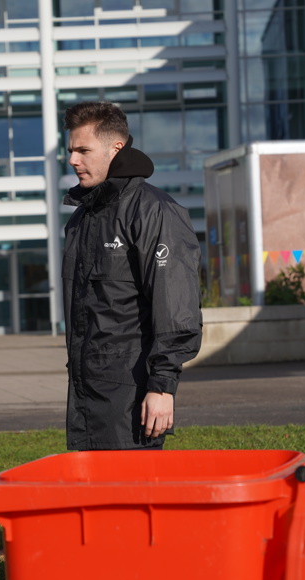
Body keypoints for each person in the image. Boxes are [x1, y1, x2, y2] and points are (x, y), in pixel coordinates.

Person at [62, 101, 203, 451]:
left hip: (133, 395)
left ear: (116, 148)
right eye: (70, 151)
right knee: (96, 500)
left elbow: (176, 306)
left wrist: (162, 387)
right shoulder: (83, 218)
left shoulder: (154, 211)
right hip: (87, 394)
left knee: (130, 498)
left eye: (83, 150)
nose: (72, 160)